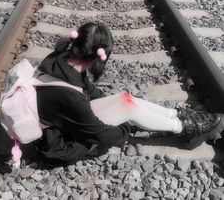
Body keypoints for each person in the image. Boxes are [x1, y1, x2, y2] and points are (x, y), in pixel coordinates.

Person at [35, 22, 224, 166]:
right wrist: (125, 127)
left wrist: (117, 104)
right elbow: (99, 135)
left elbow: (88, 90)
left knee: (126, 99)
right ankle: (185, 130)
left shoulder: (62, 59)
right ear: (98, 57)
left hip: (63, 120)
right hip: (60, 145)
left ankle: (176, 116)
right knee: (130, 111)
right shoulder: (71, 96)